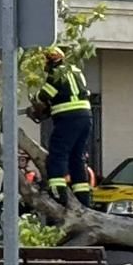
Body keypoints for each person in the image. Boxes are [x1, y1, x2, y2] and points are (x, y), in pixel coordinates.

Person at [35, 47, 93, 208]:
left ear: (49, 60)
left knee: (58, 154)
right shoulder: (76, 71)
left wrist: (36, 102)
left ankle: (57, 193)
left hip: (68, 118)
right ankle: (83, 198)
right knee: (77, 157)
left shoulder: (56, 74)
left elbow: (44, 95)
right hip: (86, 116)